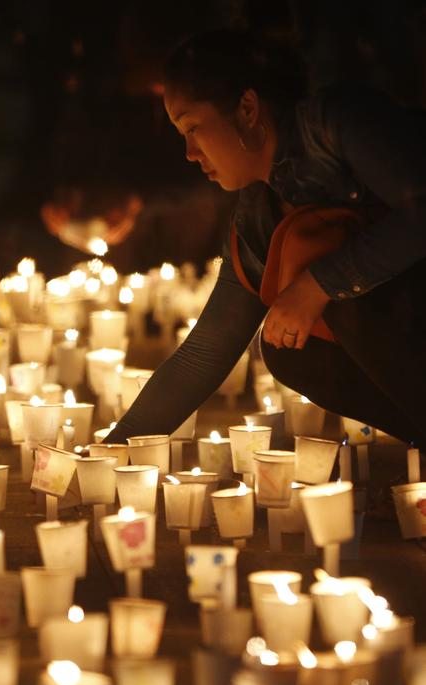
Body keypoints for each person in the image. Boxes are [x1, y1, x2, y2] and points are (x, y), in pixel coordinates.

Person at [104, 28, 426, 448]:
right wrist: (112, 449)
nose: (189, 153)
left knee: (335, 305)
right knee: (289, 351)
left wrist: (321, 283)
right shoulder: (256, 220)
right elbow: (202, 355)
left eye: (193, 128)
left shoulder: (337, 123)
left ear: (248, 109)